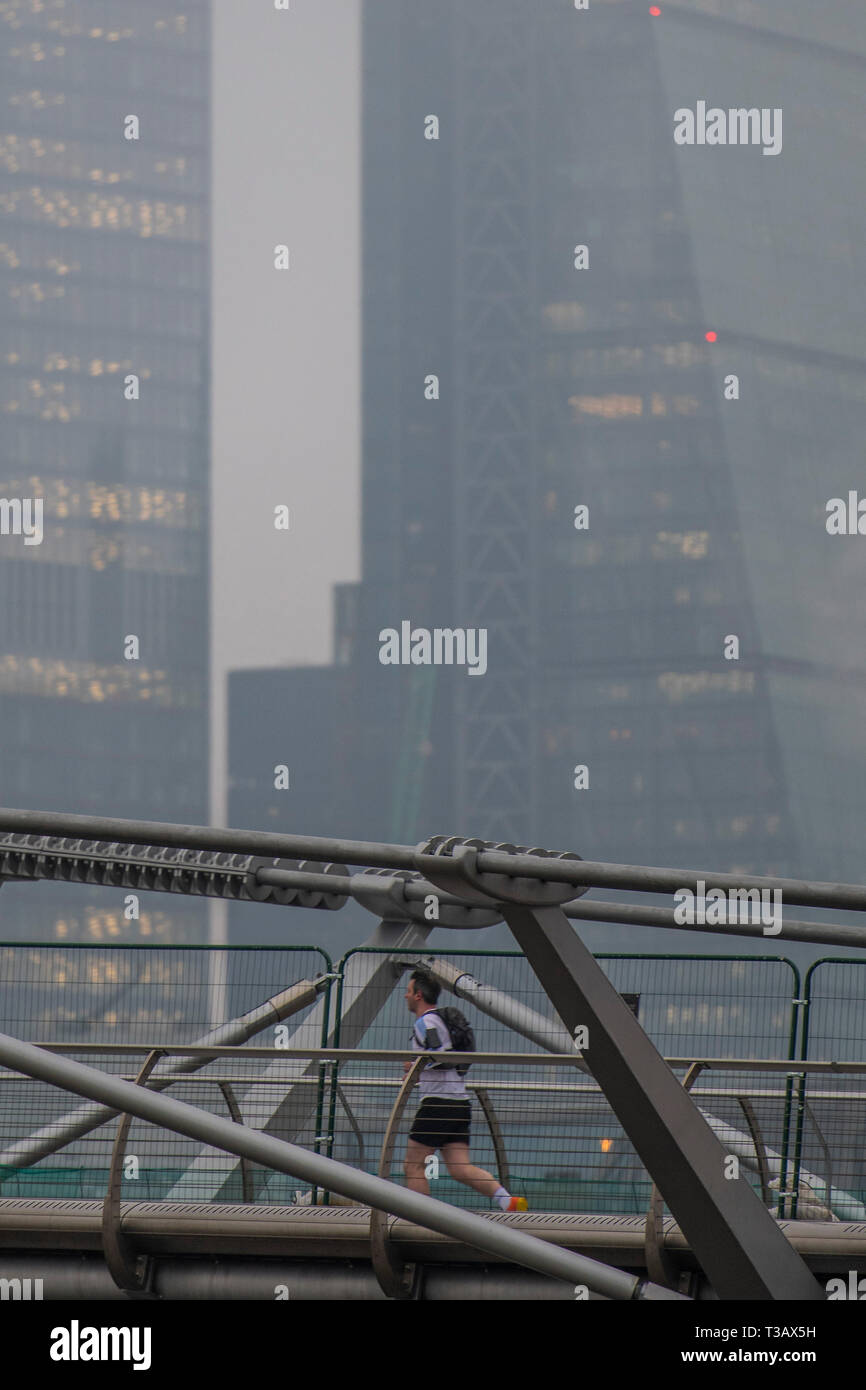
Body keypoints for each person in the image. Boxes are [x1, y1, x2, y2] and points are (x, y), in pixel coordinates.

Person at [402, 968, 527, 1211]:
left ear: (418, 995)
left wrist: (414, 1066)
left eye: (407, 991)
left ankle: (423, 1219)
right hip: (460, 1102)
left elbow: (437, 1055)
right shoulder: (443, 1021)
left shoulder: (425, 1022)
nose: (405, 996)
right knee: (460, 1168)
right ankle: (508, 1201)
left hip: (437, 1103)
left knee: (413, 1165)